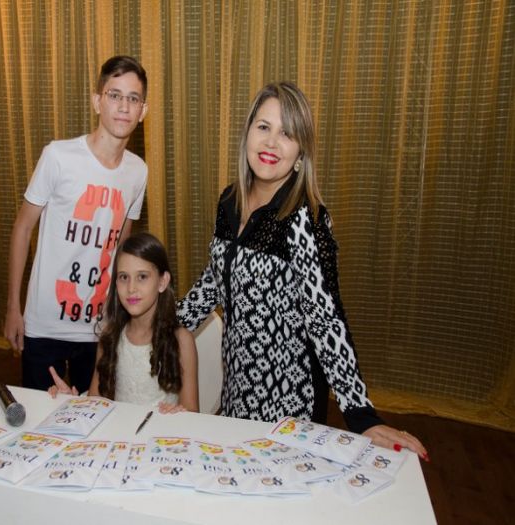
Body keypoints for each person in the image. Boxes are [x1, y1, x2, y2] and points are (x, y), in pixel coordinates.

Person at [177, 81, 428, 459]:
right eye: (264, 127)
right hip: (236, 390)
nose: (272, 142)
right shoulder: (229, 201)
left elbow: (326, 319)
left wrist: (361, 415)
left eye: (287, 133)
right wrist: (165, 322)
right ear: (247, 133)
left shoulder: (306, 219)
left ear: (300, 153)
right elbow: (217, 276)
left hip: (288, 404)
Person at [4, 56, 149, 393]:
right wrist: (13, 307)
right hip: (44, 325)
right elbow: (22, 228)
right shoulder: (58, 156)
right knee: (40, 416)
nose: (123, 107)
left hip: (98, 328)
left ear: (143, 110)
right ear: (97, 101)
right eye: (114, 95)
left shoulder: (138, 171)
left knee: (95, 416)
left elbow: (121, 247)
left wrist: (118, 316)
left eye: (133, 98)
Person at [49, 232, 199, 414]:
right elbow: (96, 400)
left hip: (161, 431)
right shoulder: (110, 337)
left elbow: (192, 411)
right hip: (119, 431)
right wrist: (73, 402)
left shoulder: (181, 340)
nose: (131, 288)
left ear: (162, 281)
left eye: (142, 276)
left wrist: (179, 413)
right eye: (123, 277)